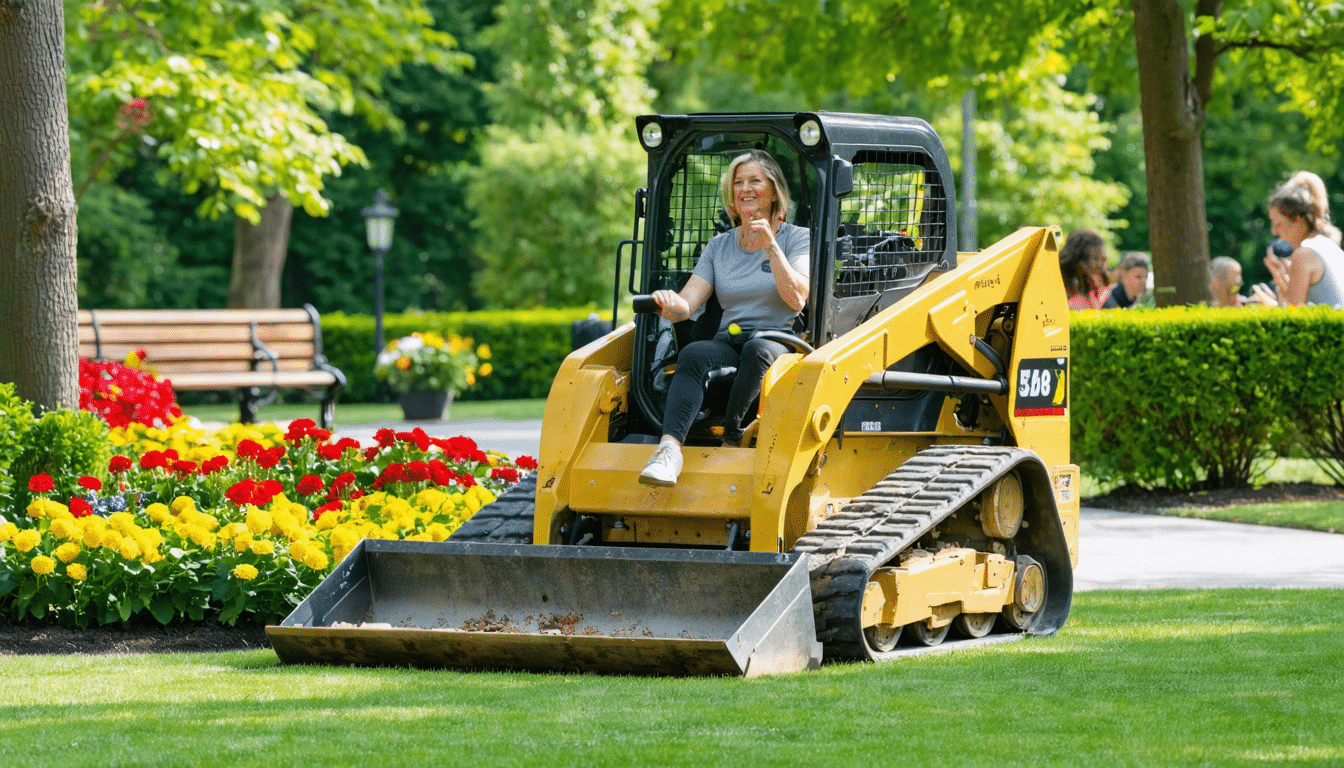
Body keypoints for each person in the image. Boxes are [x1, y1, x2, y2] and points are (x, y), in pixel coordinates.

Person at [639, 150, 811, 487]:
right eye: (738, 182)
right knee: (693, 354)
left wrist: (771, 247)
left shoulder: (797, 239)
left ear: (773, 190)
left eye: (754, 180)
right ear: (731, 194)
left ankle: (732, 442)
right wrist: (669, 303)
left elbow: (797, 298)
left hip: (779, 340)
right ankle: (669, 451)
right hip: (731, 339)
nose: (745, 187)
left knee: (758, 349)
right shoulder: (719, 247)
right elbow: (687, 305)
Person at [1263, 170, 1344, 307]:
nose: (1274, 231)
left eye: (1279, 224)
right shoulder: (1328, 245)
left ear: (1299, 220)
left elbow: (1295, 317)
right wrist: (1279, 276)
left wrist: (1269, 304)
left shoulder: (1303, 255)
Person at [1059, 229, 1111, 310]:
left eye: (1103, 259)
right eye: (1095, 258)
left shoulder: (1090, 285)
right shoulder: (1062, 286)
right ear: (1080, 260)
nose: (1101, 264)